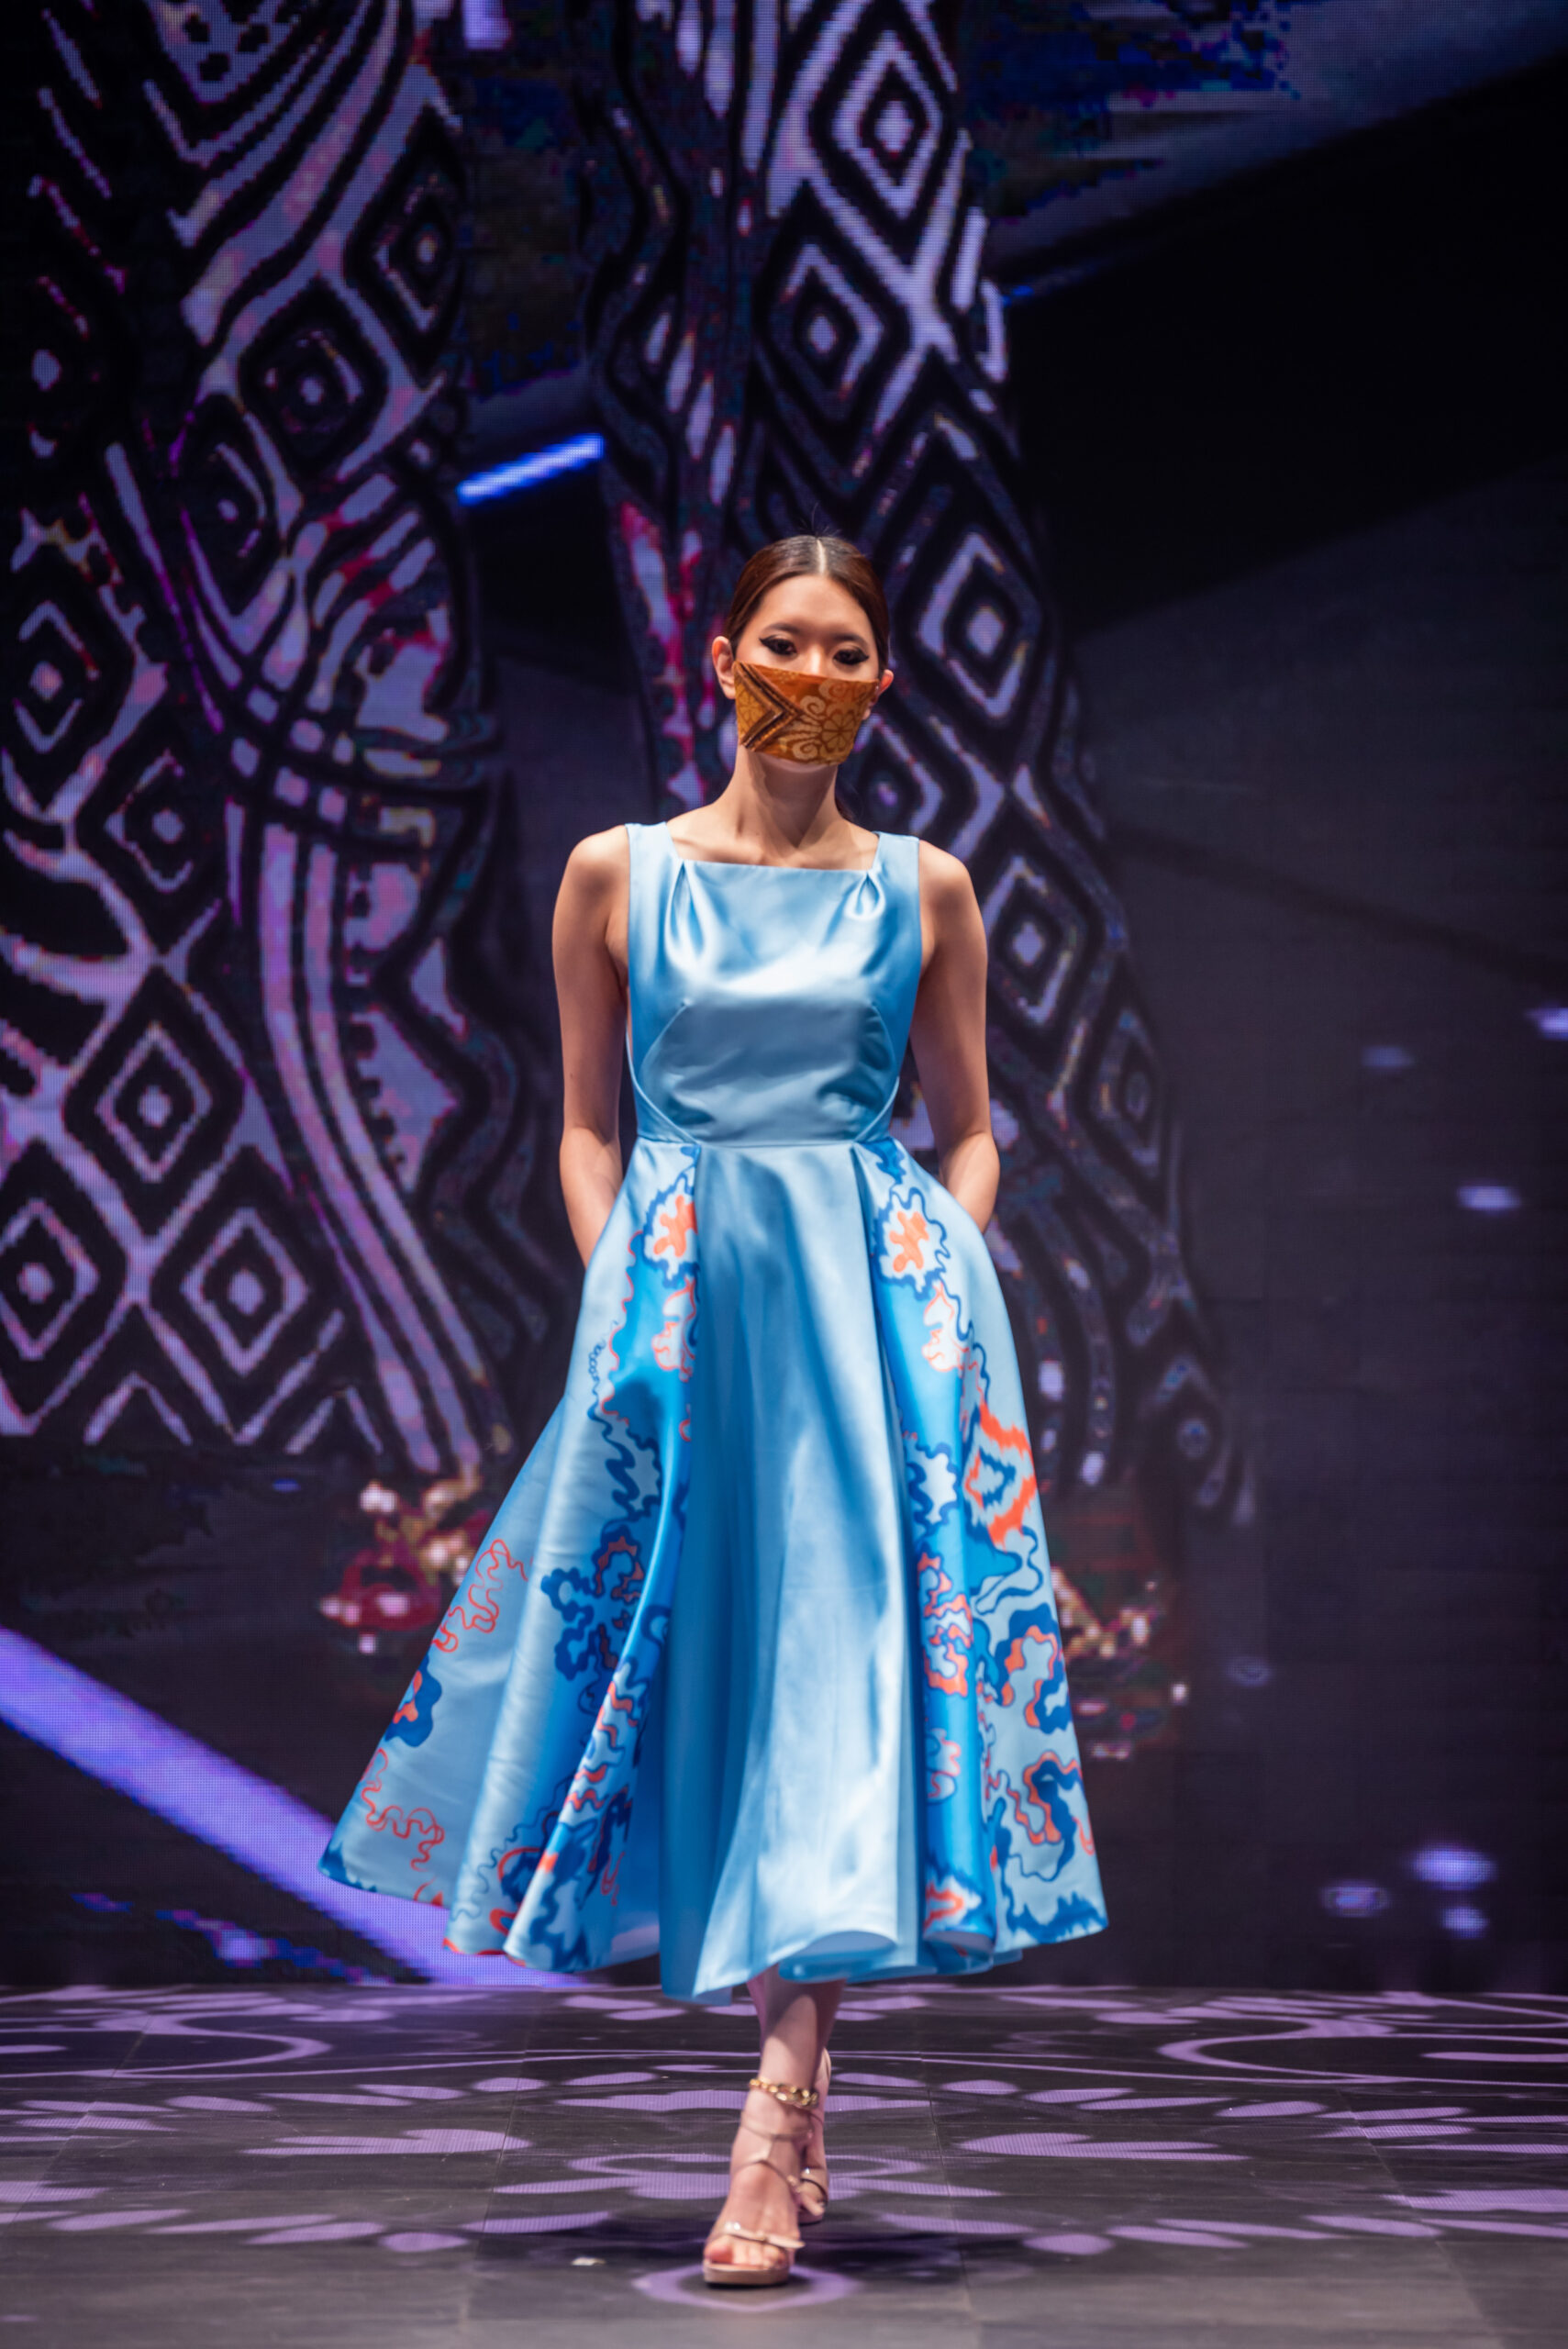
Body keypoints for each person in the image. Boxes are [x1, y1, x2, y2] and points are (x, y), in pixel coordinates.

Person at [321, 534, 1106, 2287]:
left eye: (846, 651)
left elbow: (971, 1128)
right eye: (785, 641)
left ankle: (773, 2108)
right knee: (713, 1681)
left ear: (882, 682)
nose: (812, 675)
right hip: (680, 1317)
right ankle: (790, 2080)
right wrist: (621, 1294)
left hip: (868, 1328)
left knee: (835, 1684)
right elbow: (583, 1126)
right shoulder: (617, 874)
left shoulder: (924, 890)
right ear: (723, 653)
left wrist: (935, 1270)